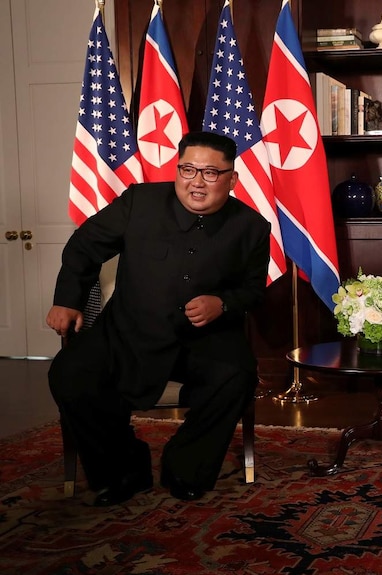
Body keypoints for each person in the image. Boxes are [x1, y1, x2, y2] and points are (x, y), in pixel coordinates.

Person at [47, 131, 270, 506]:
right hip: (129, 329)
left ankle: (185, 467)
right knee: (70, 373)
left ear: (233, 179)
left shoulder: (252, 226)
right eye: (188, 169)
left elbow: (253, 290)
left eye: (210, 173)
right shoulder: (140, 202)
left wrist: (223, 303)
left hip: (204, 337)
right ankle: (123, 469)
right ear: (177, 168)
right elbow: (84, 246)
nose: (196, 182)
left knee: (236, 376)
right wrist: (69, 300)